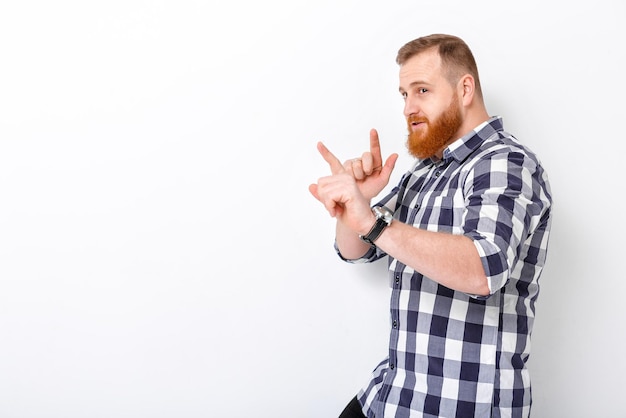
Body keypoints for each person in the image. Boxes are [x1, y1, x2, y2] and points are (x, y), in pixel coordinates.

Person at [309, 34, 553, 418]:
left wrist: (372, 221)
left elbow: (483, 270)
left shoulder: (506, 163)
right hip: (391, 396)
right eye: (404, 94)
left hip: (457, 406)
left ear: (465, 88)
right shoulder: (423, 173)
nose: (409, 107)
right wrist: (353, 205)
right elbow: (357, 249)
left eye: (422, 90)